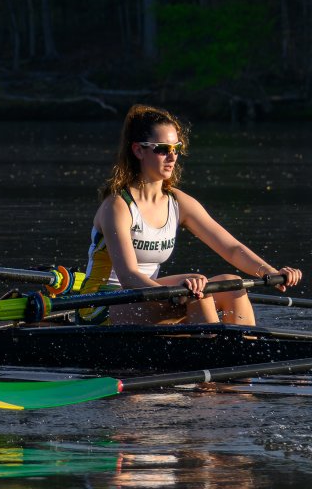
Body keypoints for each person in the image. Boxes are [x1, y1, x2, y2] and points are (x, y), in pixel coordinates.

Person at [77, 104, 300, 325]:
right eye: (162, 149)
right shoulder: (117, 206)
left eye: (176, 148)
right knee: (195, 288)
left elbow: (231, 249)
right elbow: (128, 277)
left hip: (148, 298)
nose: (172, 157)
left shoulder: (178, 202)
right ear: (138, 150)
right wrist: (176, 293)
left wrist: (269, 272)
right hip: (99, 305)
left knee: (232, 284)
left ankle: (246, 346)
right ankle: (213, 350)